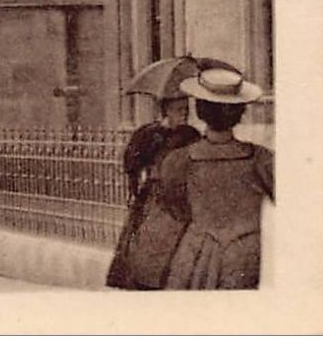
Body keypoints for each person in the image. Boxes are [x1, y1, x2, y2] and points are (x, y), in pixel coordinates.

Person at [156, 68, 273, 290]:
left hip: (196, 251)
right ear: (240, 112)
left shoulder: (178, 160)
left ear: (200, 111)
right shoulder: (261, 158)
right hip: (244, 255)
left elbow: (174, 207)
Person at [105, 94, 200, 289]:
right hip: (155, 196)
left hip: (182, 195)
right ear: (166, 111)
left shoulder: (191, 135)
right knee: (147, 244)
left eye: (186, 110)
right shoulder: (150, 133)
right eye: (178, 110)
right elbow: (131, 161)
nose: (184, 114)